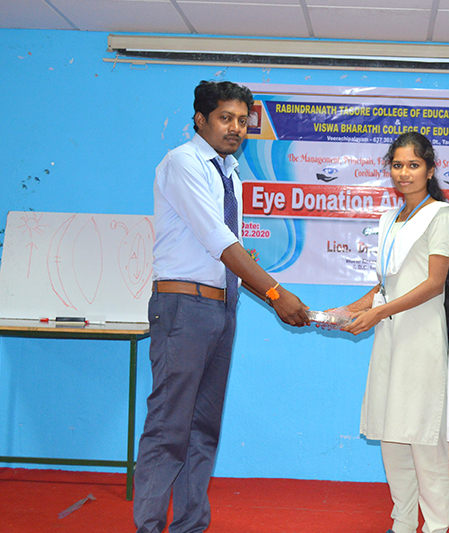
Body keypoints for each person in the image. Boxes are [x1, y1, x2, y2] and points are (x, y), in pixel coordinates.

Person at [133, 80, 309, 533]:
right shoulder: (183, 162)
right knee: (169, 427)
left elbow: (232, 254)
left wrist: (265, 292)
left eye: (243, 120)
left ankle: (189, 525)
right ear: (200, 119)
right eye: (225, 118)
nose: (236, 128)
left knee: (203, 429)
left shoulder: (230, 174)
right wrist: (275, 294)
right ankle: (149, 526)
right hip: (182, 307)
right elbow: (219, 240)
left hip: (221, 308)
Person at [339, 131, 449, 533]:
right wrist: (347, 311)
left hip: (423, 337)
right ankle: (402, 522)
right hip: (390, 336)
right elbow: (386, 286)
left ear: (430, 170)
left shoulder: (441, 215)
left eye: (414, 165)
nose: (404, 173)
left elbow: (433, 284)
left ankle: (435, 526)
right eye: (397, 165)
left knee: (424, 438)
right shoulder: (389, 219)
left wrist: (378, 313)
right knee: (391, 433)